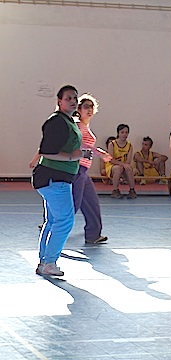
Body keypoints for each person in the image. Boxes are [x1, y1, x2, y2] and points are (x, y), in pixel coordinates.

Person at [31, 85, 92, 276]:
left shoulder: (69, 121)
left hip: (57, 178)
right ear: (59, 101)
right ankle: (49, 262)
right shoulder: (57, 122)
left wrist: (79, 154)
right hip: (53, 178)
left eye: (75, 98)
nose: (73, 101)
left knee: (53, 221)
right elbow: (47, 151)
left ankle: (45, 261)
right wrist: (72, 157)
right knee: (65, 220)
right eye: (68, 98)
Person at [73, 94, 113, 244]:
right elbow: (79, 144)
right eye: (85, 107)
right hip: (77, 169)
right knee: (73, 205)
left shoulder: (85, 126)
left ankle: (93, 234)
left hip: (83, 170)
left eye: (91, 107)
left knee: (91, 202)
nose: (89, 110)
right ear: (79, 109)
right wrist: (99, 152)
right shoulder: (77, 125)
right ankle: (53, 229)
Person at [105, 124, 137, 199]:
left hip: (123, 165)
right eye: (122, 132)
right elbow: (111, 160)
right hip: (112, 166)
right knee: (118, 168)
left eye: (126, 132)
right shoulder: (112, 144)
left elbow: (128, 160)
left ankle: (132, 190)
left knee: (129, 168)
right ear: (118, 133)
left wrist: (124, 165)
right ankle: (115, 190)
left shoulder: (129, 145)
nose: (124, 134)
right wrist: (122, 164)